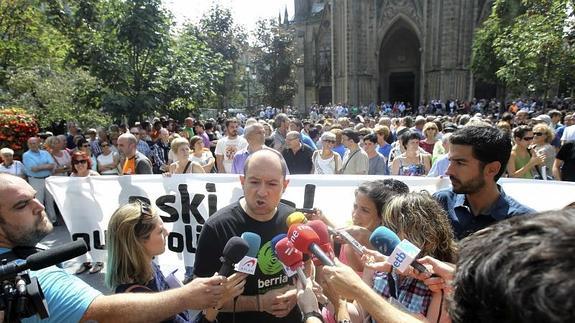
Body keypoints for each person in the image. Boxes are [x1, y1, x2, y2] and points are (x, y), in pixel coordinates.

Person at [0, 174, 230, 323]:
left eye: (34, 196)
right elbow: (107, 311)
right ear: (137, 242)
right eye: (22, 204)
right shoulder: (39, 279)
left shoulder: (151, 267)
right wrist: (197, 299)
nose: (39, 206)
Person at [193, 149, 301, 323]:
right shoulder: (217, 227)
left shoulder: (293, 221)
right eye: (254, 182)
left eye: (272, 184)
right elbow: (198, 299)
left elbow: (308, 269)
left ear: (285, 186)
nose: (262, 192)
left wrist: (297, 294)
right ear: (242, 182)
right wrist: (258, 303)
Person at [105, 200, 247, 323]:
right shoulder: (136, 299)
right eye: (160, 231)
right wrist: (217, 303)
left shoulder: (150, 267)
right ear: (138, 242)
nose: (167, 232)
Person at [433, 125, 535, 240]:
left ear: (492, 169)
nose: (448, 171)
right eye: (450, 161)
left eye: (460, 163)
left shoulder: (524, 225)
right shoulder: (441, 202)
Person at [69, 151, 103, 274]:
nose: (79, 164)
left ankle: (98, 262)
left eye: (82, 161)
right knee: (79, 238)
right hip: (77, 213)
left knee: (94, 237)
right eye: (76, 162)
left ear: (87, 162)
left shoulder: (94, 175)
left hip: (92, 213)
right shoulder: (72, 177)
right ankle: (84, 262)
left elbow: (102, 194)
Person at [22, 137, 55, 223]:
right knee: (39, 201)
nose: (33, 145)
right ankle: (41, 221)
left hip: (48, 179)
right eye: (31, 143)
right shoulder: (26, 155)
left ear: (38, 143)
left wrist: (41, 167)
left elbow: (52, 165)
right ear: (28, 145)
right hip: (36, 180)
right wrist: (46, 166)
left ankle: (52, 219)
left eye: (34, 143)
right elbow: (33, 169)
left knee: (50, 201)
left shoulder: (45, 153)